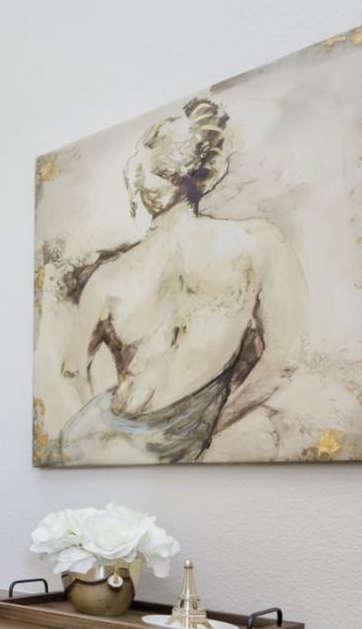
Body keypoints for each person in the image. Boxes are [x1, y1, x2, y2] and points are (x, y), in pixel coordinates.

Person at [58, 98, 307, 464]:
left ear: (138, 178)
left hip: (106, 441)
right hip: (175, 439)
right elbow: (281, 361)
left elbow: (73, 370)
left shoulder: (109, 276)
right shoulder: (258, 242)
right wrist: (207, 427)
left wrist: (121, 434)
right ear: (204, 176)